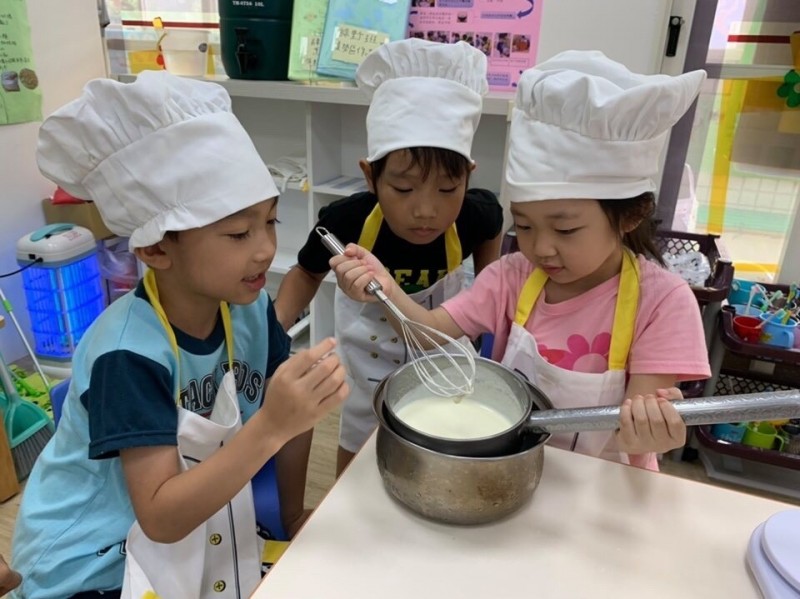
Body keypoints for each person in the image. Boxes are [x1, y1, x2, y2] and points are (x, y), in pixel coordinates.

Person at [11, 71, 348, 598]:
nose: (263, 249)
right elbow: (161, 518)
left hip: (200, 533)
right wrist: (272, 426)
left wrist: (290, 518)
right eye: (238, 233)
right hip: (93, 565)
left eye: (271, 222)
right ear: (155, 250)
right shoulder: (128, 356)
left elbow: (293, 419)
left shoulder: (251, 311)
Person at [330, 50, 712, 471]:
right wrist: (387, 289)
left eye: (564, 229)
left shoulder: (663, 302)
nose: (541, 248)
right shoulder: (513, 275)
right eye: (525, 226)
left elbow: (631, 429)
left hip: (604, 485)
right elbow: (432, 333)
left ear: (630, 215)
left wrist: (652, 427)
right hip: (511, 470)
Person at [274, 38, 503, 475]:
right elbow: (305, 271)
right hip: (369, 356)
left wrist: (492, 310)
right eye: (403, 189)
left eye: (446, 189)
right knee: (360, 437)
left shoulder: (477, 214)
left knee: (438, 443)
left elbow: (492, 250)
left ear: (468, 177)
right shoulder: (345, 221)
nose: (425, 210)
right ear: (370, 175)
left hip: (443, 353)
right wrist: (275, 329)